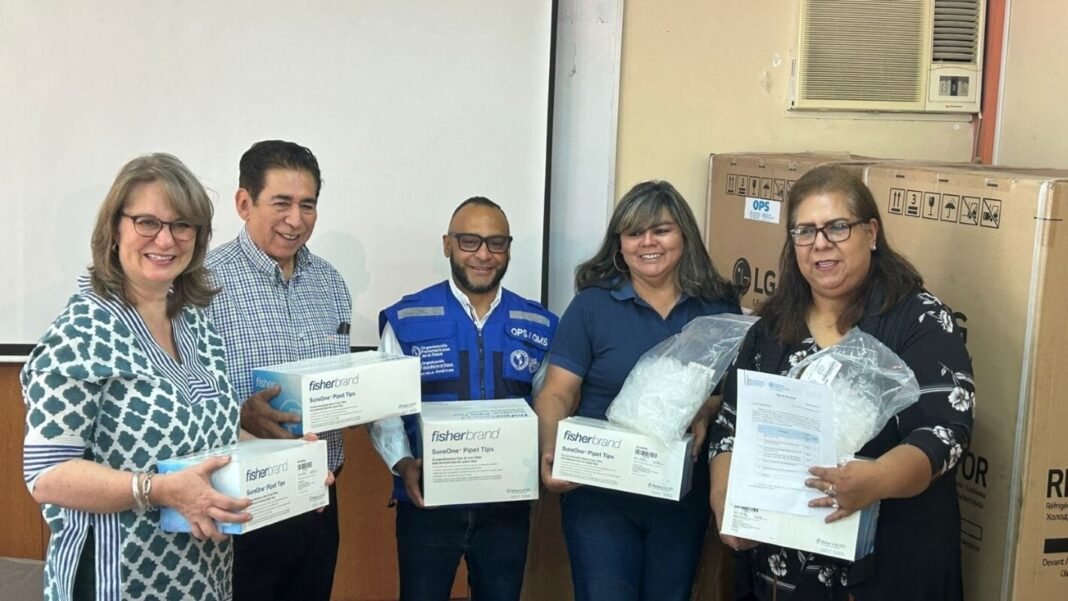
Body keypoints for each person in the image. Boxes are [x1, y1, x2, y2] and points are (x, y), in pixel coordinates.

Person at [707, 165, 975, 600]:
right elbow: (730, 424)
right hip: (782, 571)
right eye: (805, 231)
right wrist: (724, 498)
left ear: (871, 233)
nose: (820, 244)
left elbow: (946, 432)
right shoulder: (771, 328)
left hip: (892, 563)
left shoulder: (919, 320)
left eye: (837, 227)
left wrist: (877, 479)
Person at [21, 153, 251, 600]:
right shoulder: (80, 332)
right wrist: (158, 489)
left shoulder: (196, 325)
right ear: (115, 230)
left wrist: (288, 468)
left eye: (182, 225)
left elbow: (216, 430)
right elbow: (45, 474)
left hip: (202, 575)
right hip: (115, 579)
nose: (165, 239)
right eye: (147, 222)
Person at [205, 140, 409, 601]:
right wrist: (238, 416)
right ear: (243, 203)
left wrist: (365, 398)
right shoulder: (201, 282)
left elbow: (337, 383)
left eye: (308, 205)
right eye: (281, 203)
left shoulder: (331, 282)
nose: (296, 220)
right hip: (242, 498)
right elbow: (181, 396)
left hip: (319, 495)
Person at [535, 180, 741, 601]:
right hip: (600, 495)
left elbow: (735, 395)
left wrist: (707, 408)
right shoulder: (592, 306)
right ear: (619, 244)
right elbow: (557, 392)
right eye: (633, 233)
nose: (647, 242)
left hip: (680, 495)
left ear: (684, 235)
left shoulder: (718, 307)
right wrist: (551, 449)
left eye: (661, 230)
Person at [378, 196, 558, 601]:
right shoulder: (407, 319)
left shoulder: (540, 324)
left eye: (496, 243)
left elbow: (550, 403)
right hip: (426, 505)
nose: (483, 255)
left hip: (507, 511)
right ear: (447, 245)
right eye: (469, 242)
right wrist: (402, 462)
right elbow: (384, 410)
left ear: (508, 248)